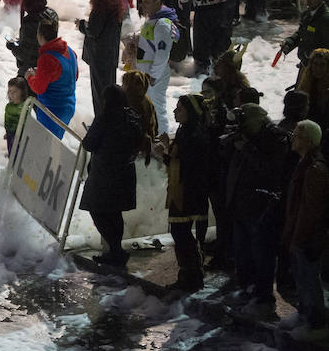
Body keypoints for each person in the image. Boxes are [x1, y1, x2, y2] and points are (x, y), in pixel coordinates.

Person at [225, 104, 291, 317]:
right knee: (242, 251)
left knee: (262, 253)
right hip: (241, 204)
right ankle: (247, 288)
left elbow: (271, 171)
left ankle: (263, 296)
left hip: (262, 206)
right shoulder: (245, 136)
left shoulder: (276, 138)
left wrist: (247, 147)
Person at [80, 84, 143, 268]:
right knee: (114, 212)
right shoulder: (132, 117)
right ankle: (115, 250)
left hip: (105, 174)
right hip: (125, 172)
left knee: (98, 210)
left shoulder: (105, 118)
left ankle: (115, 250)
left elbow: (89, 144)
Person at [156, 94, 213, 291]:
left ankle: (192, 276)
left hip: (189, 192)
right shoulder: (185, 131)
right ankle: (188, 275)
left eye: (179, 109)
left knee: (182, 234)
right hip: (183, 190)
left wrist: (162, 152)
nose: (174, 112)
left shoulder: (194, 135)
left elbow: (184, 165)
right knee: (180, 233)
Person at [283, 120, 329, 335]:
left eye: (298, 135)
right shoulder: (304, 164)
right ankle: (305, 314)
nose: (293, 138)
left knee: (309, 278)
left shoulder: (314, 169)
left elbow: (311, 210)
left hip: (307, 235)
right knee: (302, 276)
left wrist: (299, 236)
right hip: (300, 233)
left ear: (309, 141)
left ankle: (316, 322)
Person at [25, 9, 78, 139]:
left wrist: (30, 77)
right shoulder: (69, 51)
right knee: (54, 144)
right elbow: (73, 76)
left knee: (44, 147)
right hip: (68, 106)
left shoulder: (46, 58)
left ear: (39, 34)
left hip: (52, 111)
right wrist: (45, 74)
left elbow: (38, 88)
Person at [133, 0, 179, 136]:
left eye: (147, 2)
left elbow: (162, 54)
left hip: (154, 75)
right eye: (142, 1)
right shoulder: (153, 20)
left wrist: (153, 76)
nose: (143, 5)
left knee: (157, 107)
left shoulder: (162, 24)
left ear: (158, 2)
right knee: (146, 106)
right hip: (147, 72)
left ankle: (162, 137)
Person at [78, 0, 124, 116]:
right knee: (110, 91)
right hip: (111, 53)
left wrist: (81, 25)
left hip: (99, 56)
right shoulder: (116, 1)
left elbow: (93, 31)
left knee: (100, 95)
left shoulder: (101, 2)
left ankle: (101, 125)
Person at [282, 0, 329, 69]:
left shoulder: (325, 18)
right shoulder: (306, 15)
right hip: (306, 64)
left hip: (320, 68)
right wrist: (289, 43)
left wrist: (313, 54)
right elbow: (300, 34)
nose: (308, 0)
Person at [8, 0, 48, 76]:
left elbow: (24, 54)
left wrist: (12, 45)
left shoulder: (30, 24)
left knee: (16, 88)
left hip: (30, 71)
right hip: (47, 66)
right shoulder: (50, 17)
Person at [4, 77, 28, 155]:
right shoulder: (9, 105)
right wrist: (7, 133)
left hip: (18, 135)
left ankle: (14, 163)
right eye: (10, 91)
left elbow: (25, 123)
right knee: (10, 150)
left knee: (16, 153)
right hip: (10, 132)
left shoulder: (23, 107)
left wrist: (20, 135)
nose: (11, 94)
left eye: (15, 92)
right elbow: (7, 120)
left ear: (22, 92)